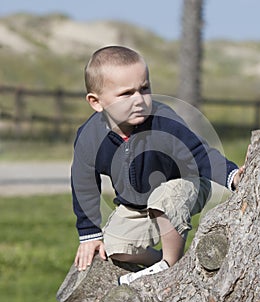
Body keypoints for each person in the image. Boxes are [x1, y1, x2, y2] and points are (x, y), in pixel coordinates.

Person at [71, 45, 244, 285]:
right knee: (113, 247)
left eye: (144, 89)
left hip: (184, 185)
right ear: (96, 102)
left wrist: (232, 175)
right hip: (136, 203)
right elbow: (84, 183)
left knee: (165, 196)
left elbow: (199, 152)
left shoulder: (163, 121)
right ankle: (163, 263)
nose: (139, 100)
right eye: (126, 94)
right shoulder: (90, 137)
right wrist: (88, 233)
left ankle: (170, 265)